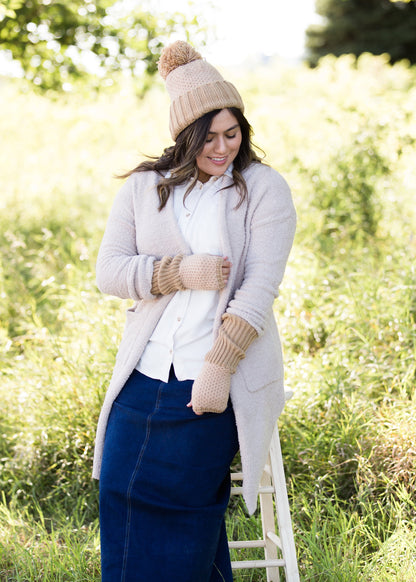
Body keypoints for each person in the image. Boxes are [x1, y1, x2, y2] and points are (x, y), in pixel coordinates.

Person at [93, 40, 296, 582]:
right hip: (144, 376)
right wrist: (176, 272)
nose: (222, 147)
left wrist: (219, 366)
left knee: (187, 513)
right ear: (184, 135)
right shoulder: (144, 189)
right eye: (209, 136)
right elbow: (109, 272)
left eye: (232, 133)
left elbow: (259, 288)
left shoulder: (263, 191)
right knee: (118, 490)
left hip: (213, 383)